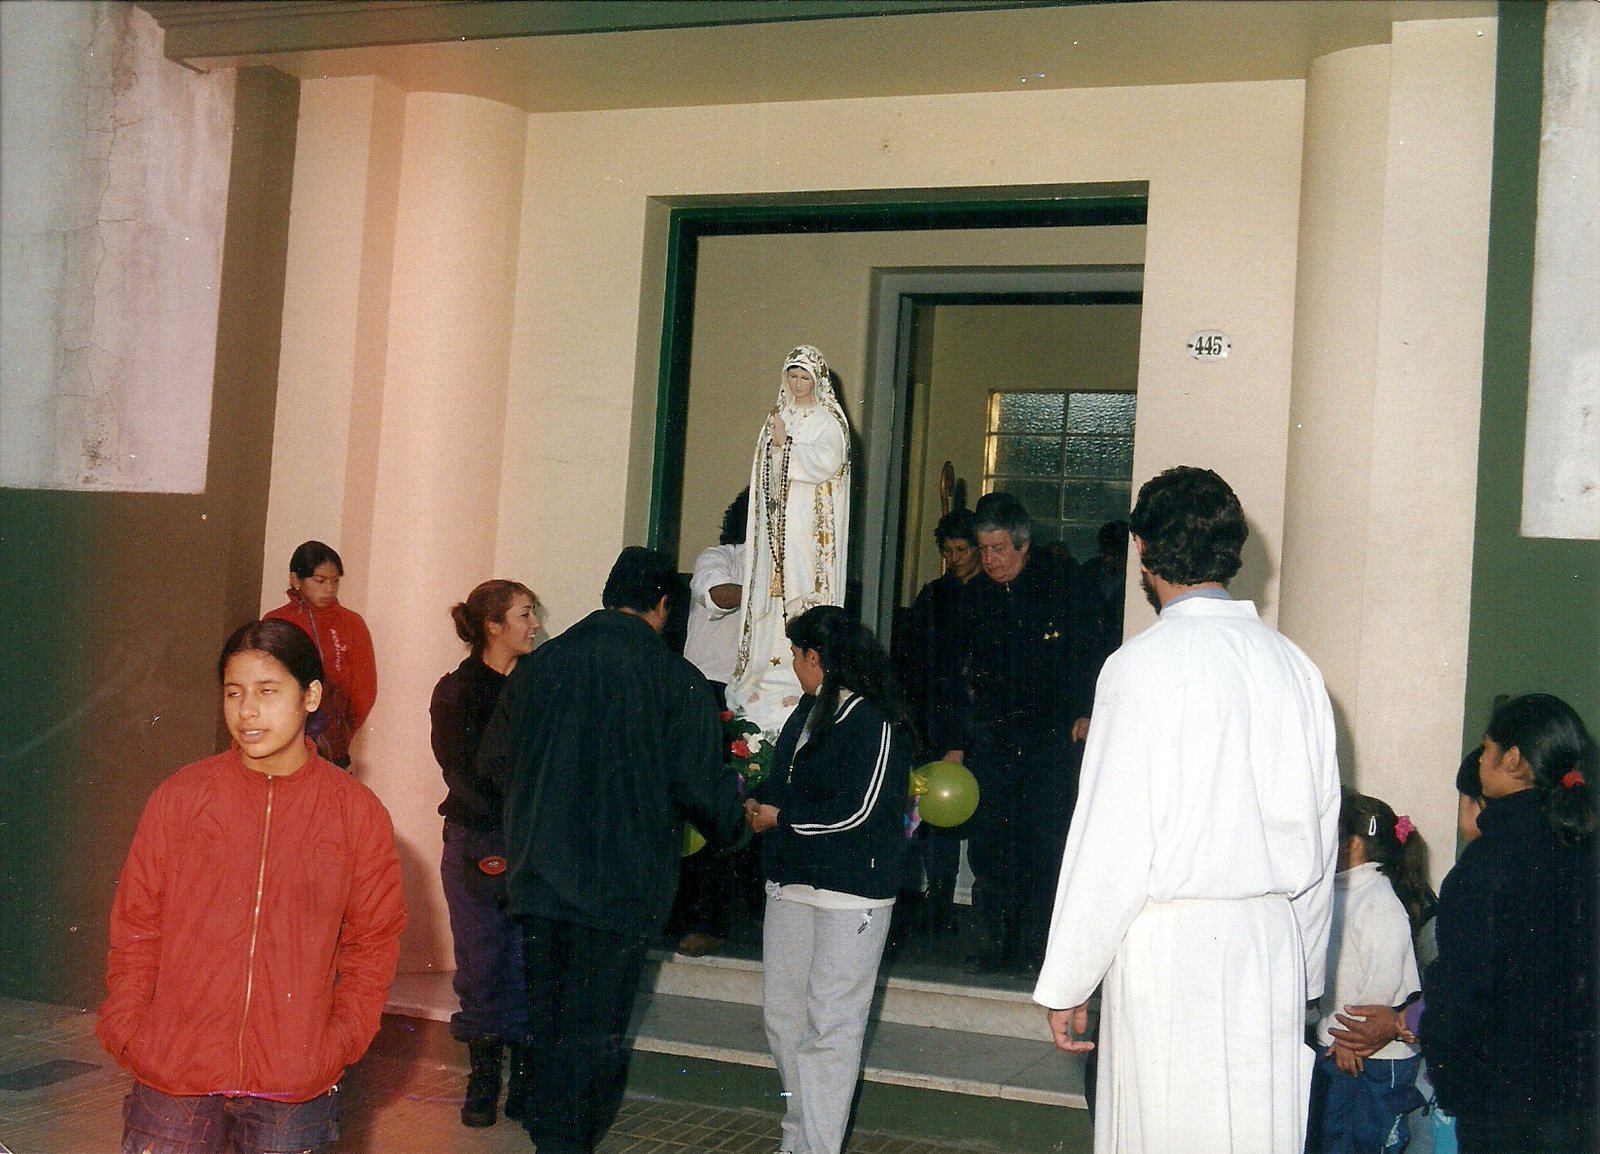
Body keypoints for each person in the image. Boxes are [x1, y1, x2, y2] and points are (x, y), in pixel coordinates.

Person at [1032, 465, 1341, 1154]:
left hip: (1170, 951)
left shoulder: (1140, 666)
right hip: (1269, 946)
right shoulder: (1294, 667)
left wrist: (1069, 979)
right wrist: (1305, 978)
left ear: (1141, 549)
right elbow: (1322, 848)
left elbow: (1110, 843)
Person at [97, 619, 406, 1154]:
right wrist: (129, 1027)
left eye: (267, 691)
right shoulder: (180, 798)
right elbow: (136, 925)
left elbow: (372, 942)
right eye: (233, 693)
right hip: (174, 1075)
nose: (246, 711)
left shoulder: (356, 815)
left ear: (310, 696)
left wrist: (336, 1042)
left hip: (291, 1084)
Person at [486, 546, 749, 1154]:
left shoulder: (541, 665)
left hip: (539, 876)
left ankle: (550, 1139)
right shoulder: (673, 678)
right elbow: (702, 789)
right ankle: (568, 1143)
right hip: (620, 886)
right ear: (663, 606)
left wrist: (539, 812)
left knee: (550, 1025)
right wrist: (738, 830)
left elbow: (495, 762)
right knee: (596, 1034)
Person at [746, 606, 912, 1154]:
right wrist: (758, 804)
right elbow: (783, 783)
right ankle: (797, 1140)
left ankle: (815, 1148)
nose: (793, 664)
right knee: (784, 1019)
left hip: (852, 892)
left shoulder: (875, 719)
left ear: (815, 657)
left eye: (795, 655)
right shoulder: (808, 713)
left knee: (832, 1026)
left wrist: (783, 817)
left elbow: (859, 810)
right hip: (792, 882)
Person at [1420, 694, 1598, 1153]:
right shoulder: (1582, 850)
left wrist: (1449, 1073)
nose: (1481, 758)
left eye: (1485, 747)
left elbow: (1463, 992)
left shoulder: (1487, 864)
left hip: (1505, 1106)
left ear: (1512, 758)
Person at [942, 492, 1093, 974]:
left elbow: (1093, 655)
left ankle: (1036, 948)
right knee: (990, 846)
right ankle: (992, 944)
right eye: (983, 550)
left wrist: (1087, 711)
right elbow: (952, 678)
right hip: (993, 742)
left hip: (1051, 740)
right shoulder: (972, 598)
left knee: (1044, 844)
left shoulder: (1066, 585)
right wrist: (955, 743)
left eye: (999, 549)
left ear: (1024, 546)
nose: (990, 560)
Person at [430, 579, 539, 1128]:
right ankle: (482, 1079)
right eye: (524, 614)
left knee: (525, 959)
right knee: (481, 963)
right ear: (493, 625)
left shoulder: (537, 688)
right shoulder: (457, 690)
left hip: (529, 845)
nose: (534, 624)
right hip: (479, 841)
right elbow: (461, 772)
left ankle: (523, 1081)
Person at [729, 345, 852, 735]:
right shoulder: (776, 417)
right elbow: (763, 467)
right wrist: (775, 446)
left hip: (805, 526)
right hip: (775, 522)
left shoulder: (827, 421)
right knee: (770, 591)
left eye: (804, 377)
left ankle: (801, 668)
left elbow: (828, 462)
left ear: (816, 381)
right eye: (793, 376)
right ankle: (765, 666)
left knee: (801, 588)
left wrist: (788, 447)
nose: (798, 384)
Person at [1309, 793, 1430, 1154]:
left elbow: (1382, 979)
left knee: (1367, 1142)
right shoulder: (1342, 892)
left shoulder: (1378, 900)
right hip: (1341, 1050)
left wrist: (1349, 1039)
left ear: (1355, 844)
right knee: (1335, 1140)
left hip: (1372, 1057)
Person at [674, 488, 760, 958]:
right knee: (702, 809)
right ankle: (695, 919)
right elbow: (716, 595)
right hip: (707, 695)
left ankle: (729, 918)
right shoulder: (722, 557)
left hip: (759, 699)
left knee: (745, 808)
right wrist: (767, 585)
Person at [897, 507, 982, 935]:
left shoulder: (992, 592)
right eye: (947, 551)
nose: (955, 558)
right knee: (932, 812)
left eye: (962, 549)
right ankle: (939, 894)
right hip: (934, 711)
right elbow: (915, 660)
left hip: (976, 718)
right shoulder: (933, 595)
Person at [264, 540, 377, 768]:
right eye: (320, 581)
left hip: (333, 746)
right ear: (295, 579)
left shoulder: (351, 623)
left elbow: (364, 690)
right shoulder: (276, 621)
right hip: (283, 743)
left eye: (335, 581)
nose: (329, 589)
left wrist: (341, 731)